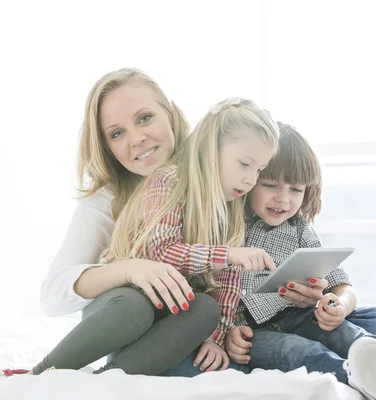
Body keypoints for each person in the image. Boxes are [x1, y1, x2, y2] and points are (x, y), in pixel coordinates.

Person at [169, 123, 376, 400]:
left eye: (296, 189)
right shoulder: (227, 224)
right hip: (255, 334)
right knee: (302, 352)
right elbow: (206, 291)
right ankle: (362, 377)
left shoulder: (300, 229)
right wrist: (227, 332)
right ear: (249, 179)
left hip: (301, 316)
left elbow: (341, 284)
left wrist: (338, 306)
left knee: (363, 334)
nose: (283, 199)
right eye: (270, 185)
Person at [0, 68, 222, 376]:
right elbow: (52, 295)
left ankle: (102, 382)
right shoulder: (107, 200)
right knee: (134, 305)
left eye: (145, 118)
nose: (137, 139)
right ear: (107, 147)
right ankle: (40, 376)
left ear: (170, 113)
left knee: (206, 308)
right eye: (117, 133)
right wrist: (130, 269)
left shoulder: (215, 180)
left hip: (173, 328)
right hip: (125, 315)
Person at [103, 97, 278, 368]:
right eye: (244, 164)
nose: (251, 179)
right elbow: (161, 252)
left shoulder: (231, 209)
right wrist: (228, 254)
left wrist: (216, 338)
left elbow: (228, 284)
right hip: (133, 306)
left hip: (176, 318)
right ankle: (100, 377)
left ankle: (113, 376)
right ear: (212, 148)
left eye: (259, 169)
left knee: (208, 351)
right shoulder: (171, 180)